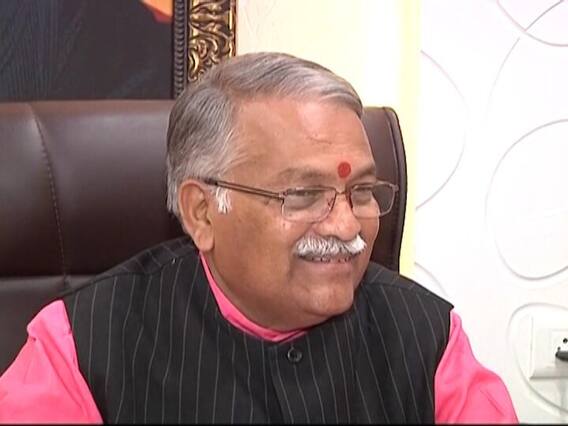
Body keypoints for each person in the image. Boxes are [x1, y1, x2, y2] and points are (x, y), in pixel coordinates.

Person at [0, 52, 518, 423]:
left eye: (361, 191)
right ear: (203, 213)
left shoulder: (429, 338)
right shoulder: (80, 347)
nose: (345, 227)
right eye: (304, 195)